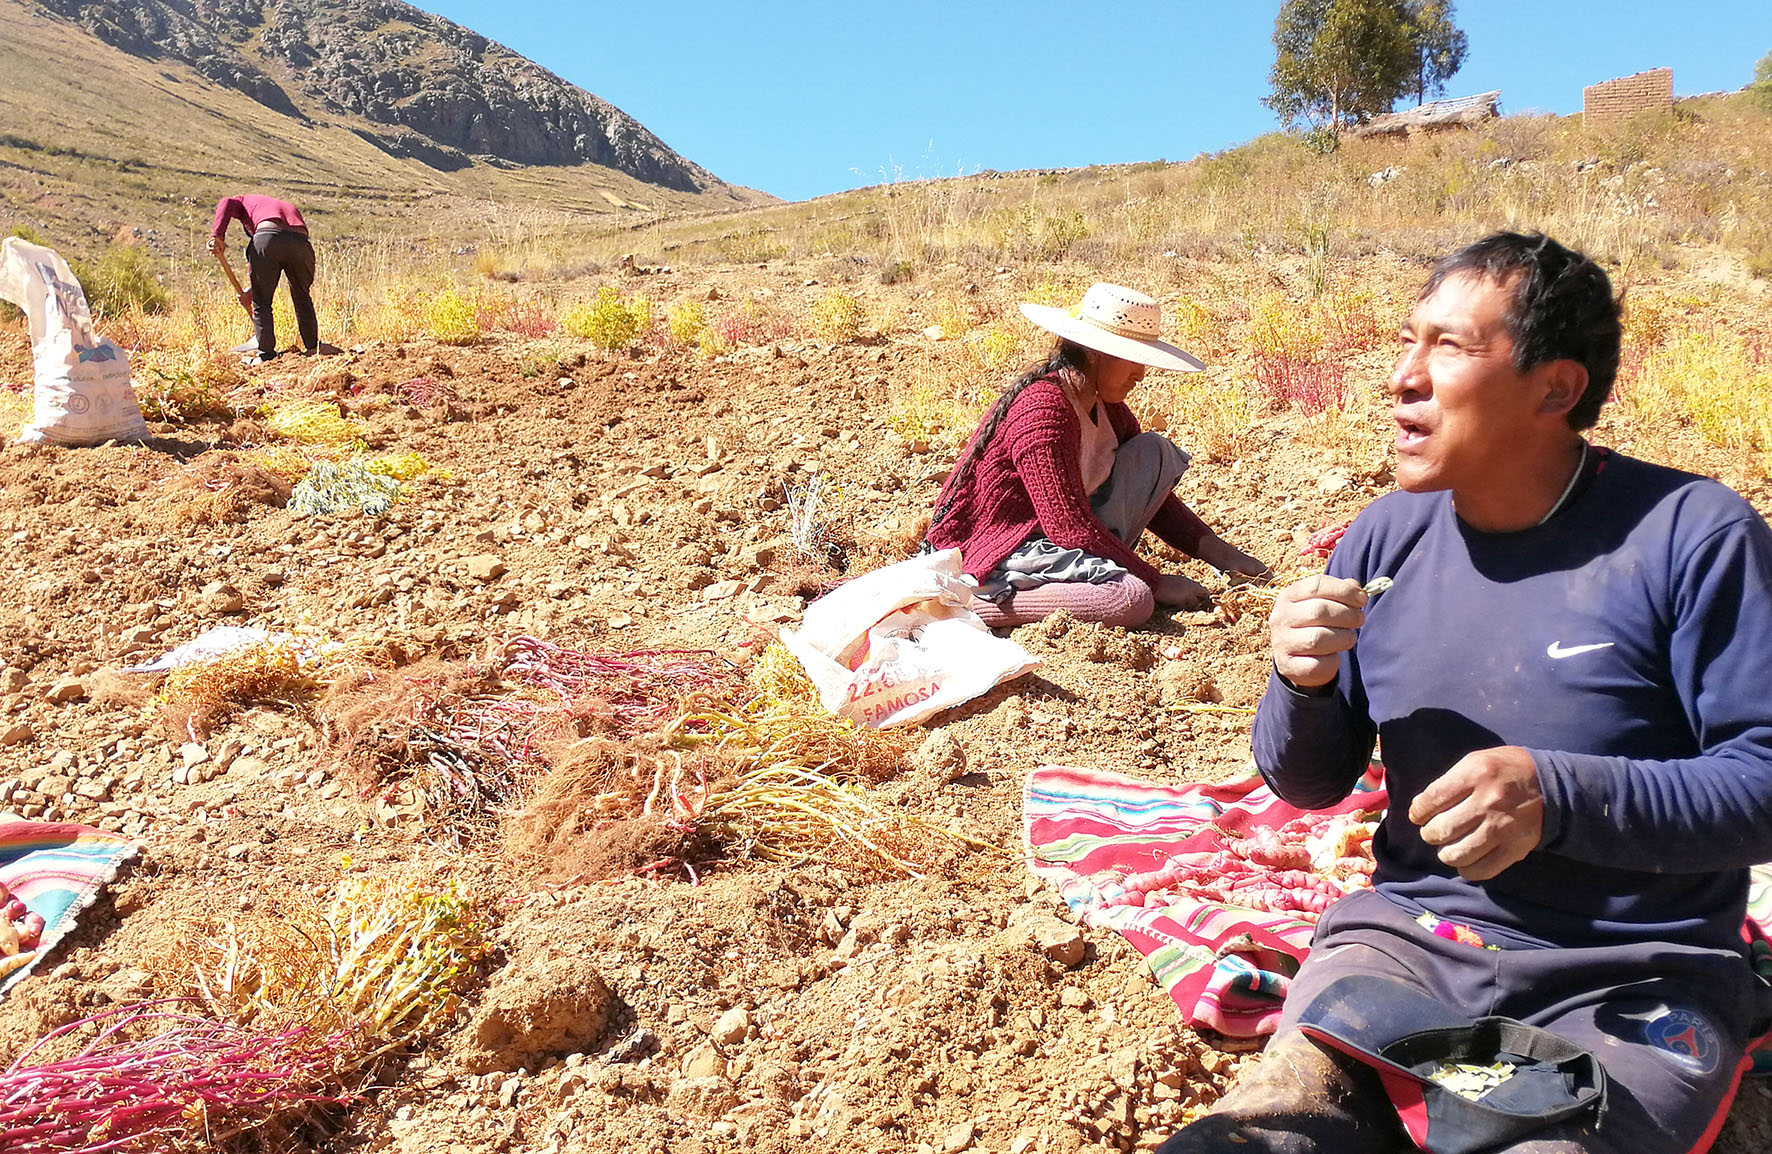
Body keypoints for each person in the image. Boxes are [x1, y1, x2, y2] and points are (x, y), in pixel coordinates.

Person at [1158, 232, 1772, 1154]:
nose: (1403, 376)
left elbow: (1763, 781)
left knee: (1554, 1138)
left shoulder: (1690, 535)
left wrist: (1556, 796)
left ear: (1556, 388)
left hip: (1629, 981)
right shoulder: (1384, 539)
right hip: (1407, 950)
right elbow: (1309, 784)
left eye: (1447, 346)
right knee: (1256, 1133)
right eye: (1408, 342)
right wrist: (1302, 683)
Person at [924, 282, 1267, 628]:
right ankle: (974, 605)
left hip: (1060, 536)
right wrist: (1154, 580)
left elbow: (1153, 496)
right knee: (1129, 599)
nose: (1141, 375)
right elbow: (1067, 525)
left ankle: (1095, 575)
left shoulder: (1105, 405)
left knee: (1153, 451)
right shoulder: (1042, 410)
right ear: (1093, 352)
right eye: (1133, 360)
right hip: (1006, 549)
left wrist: (1221, 553)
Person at [208, 193, 318, 363]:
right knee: (302, 295)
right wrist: (250, 291)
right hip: (301, 243)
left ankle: (266, 355)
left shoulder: (242, 201)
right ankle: (313, 348)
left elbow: (226, 201)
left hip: (267, 236)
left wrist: (218, 235)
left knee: (262, 301)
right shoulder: (278, 205)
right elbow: (282, 246)